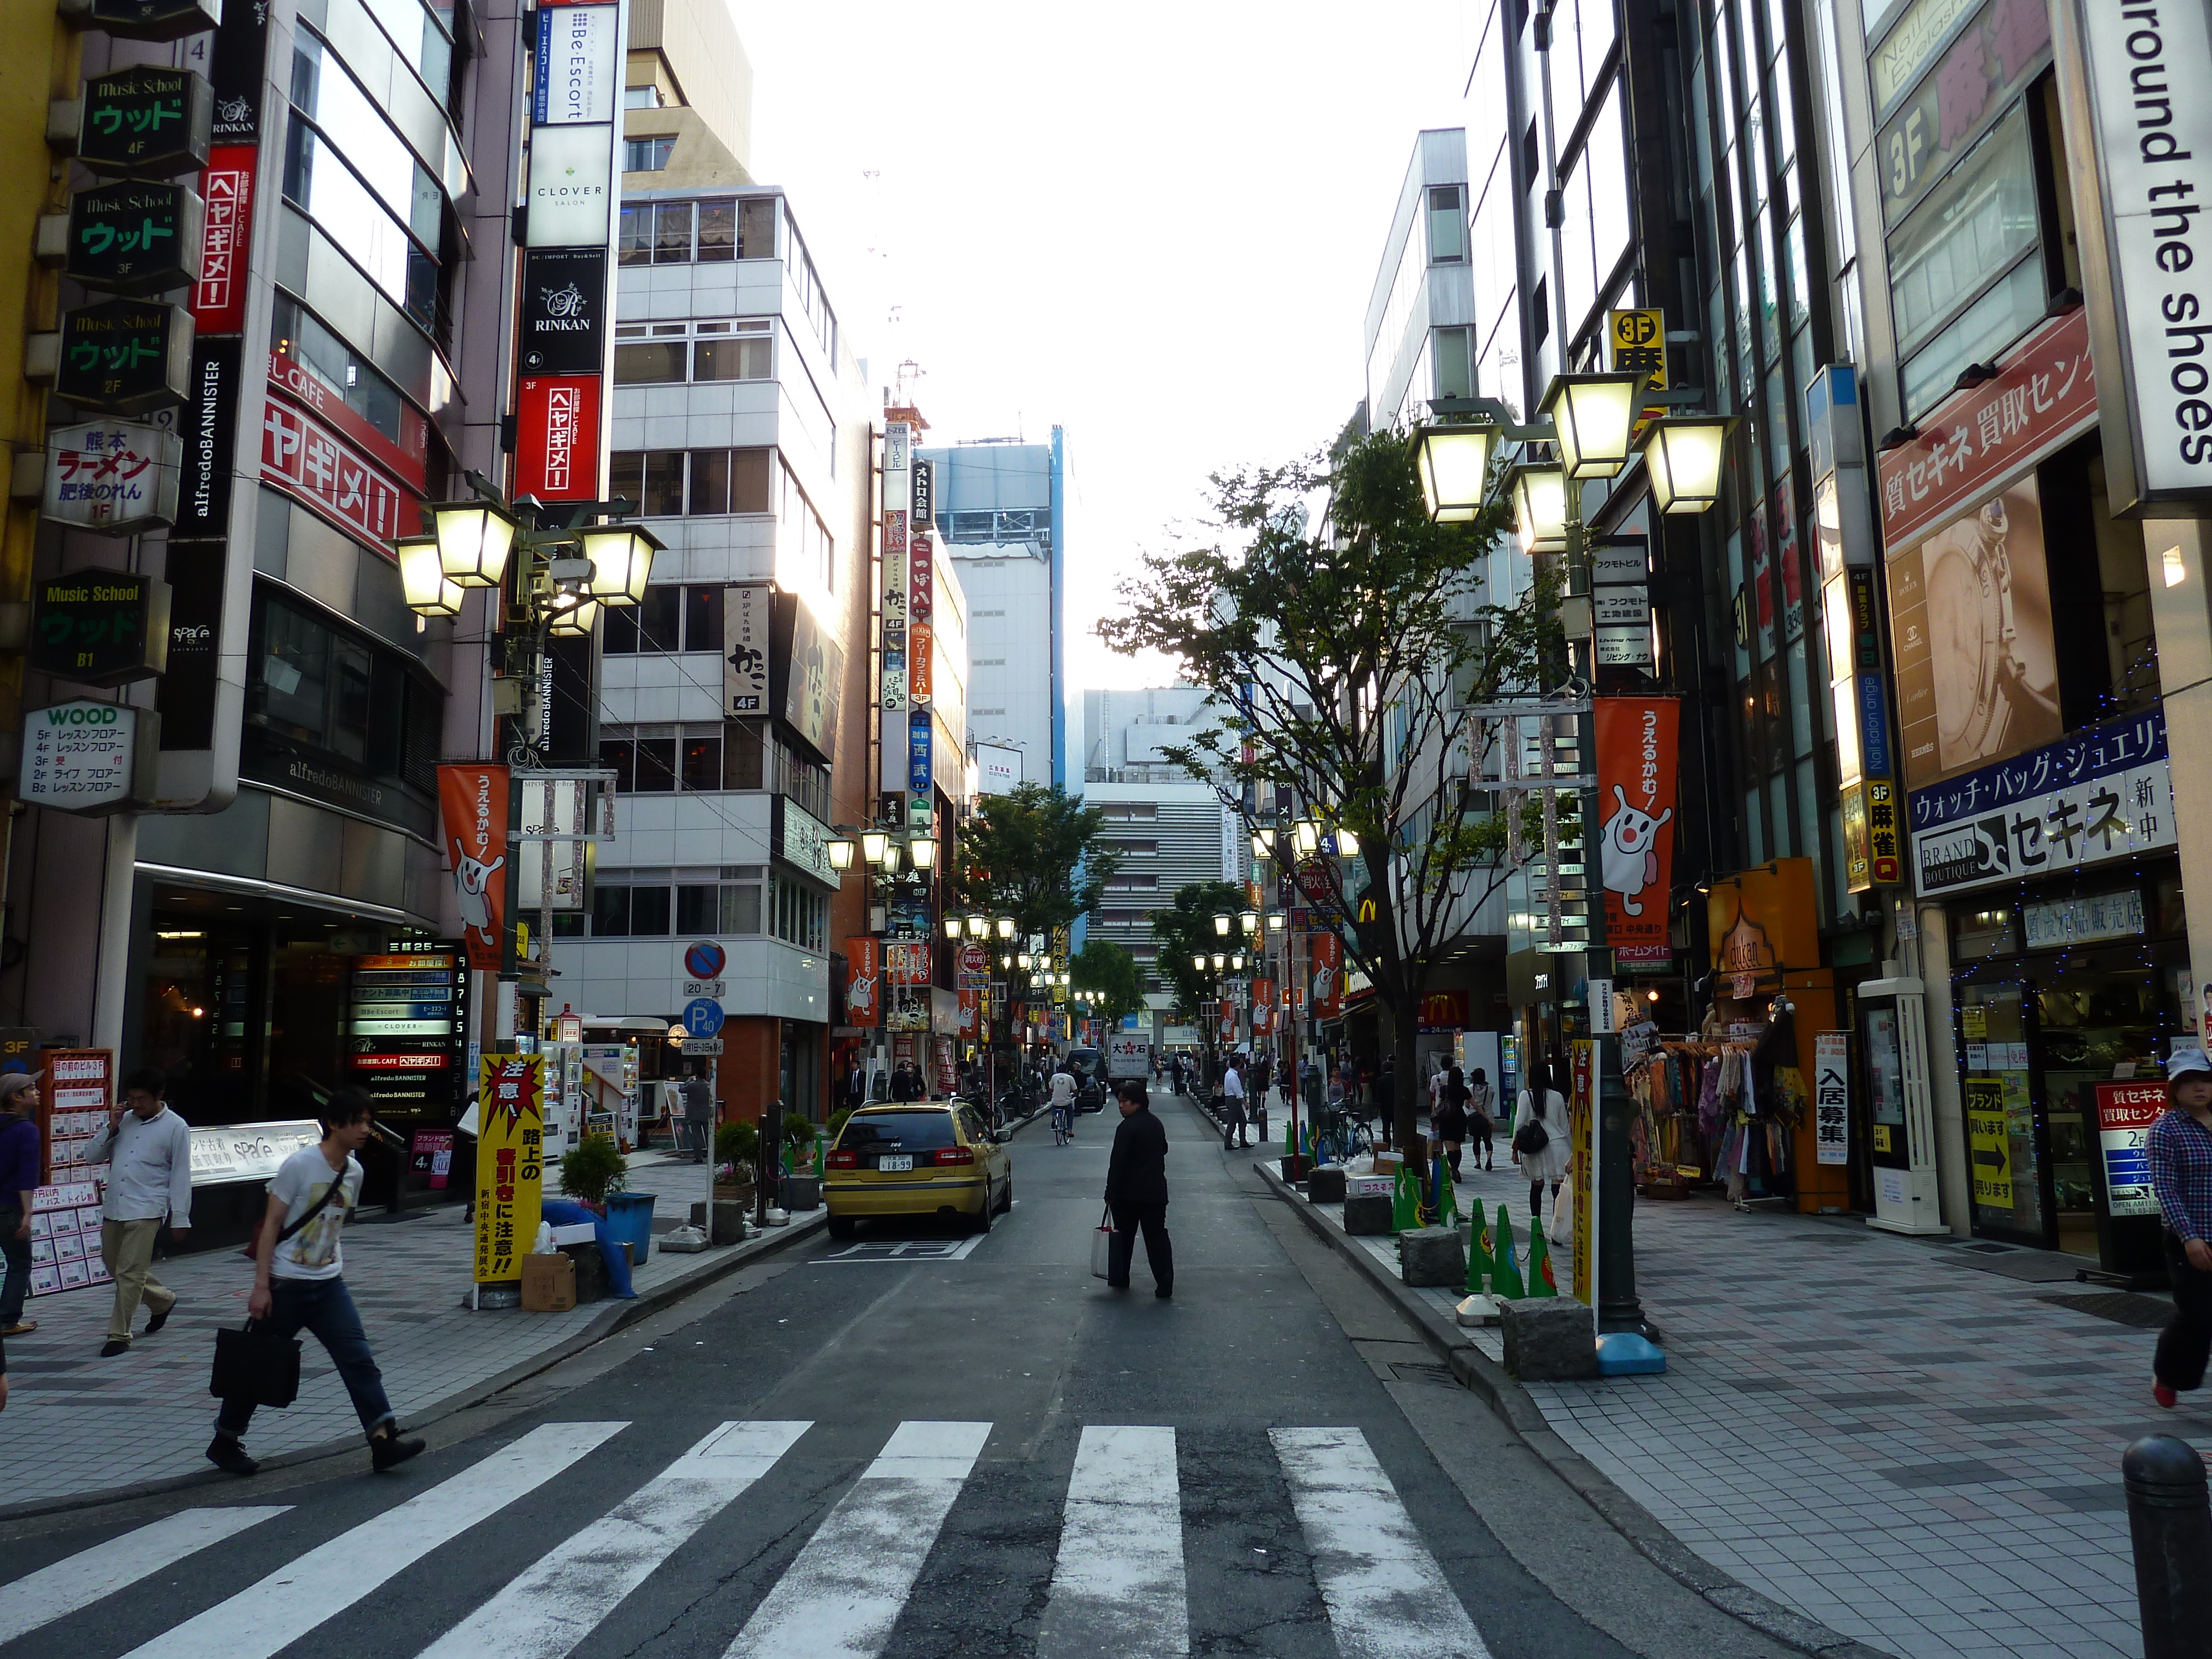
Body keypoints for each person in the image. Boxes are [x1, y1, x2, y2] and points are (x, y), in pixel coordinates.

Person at [207, 1088, 423, 1477]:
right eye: (357, 1122)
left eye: (368, 1122)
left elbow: (334, 1226)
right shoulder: (300, 1165)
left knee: (358, 1359)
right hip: (285, 1284)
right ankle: (225, 1440)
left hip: (328, 1285)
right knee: (259, 1365)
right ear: (335, 1124)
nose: (364, 1129)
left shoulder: (354, 1171)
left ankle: (382, 1441)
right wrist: (261, 1286)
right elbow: (272, 1224)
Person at [86, 1066, 192, 1357]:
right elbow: (91, 1156)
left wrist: (180, 1217)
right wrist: (111, 1126)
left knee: (130, 1271)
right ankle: (162, 1300)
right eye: (131, 1098)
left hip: (148, 1207)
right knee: (114, 1265)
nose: (135, 1104)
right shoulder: (124, 1122)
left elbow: (181, 1174)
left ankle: (119, 1334)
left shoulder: (175, 1127)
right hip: (116, 1205)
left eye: (142, 1098)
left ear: (159, 1096)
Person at [2152, 1047, 2212, 1408]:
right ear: (2174, 1089)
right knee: (2198, 1316)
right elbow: (2166, 1189)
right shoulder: (2165, 1129)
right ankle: (2170, 1374)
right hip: (2189, 1235)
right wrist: (2190, 1237)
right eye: (2188, 1082)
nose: (2199, 1088)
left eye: (2204, 1080)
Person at [1104, 1078, 1172, 1297]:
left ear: (1137, 1103)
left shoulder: (1126, 1128)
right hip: (1154, 1193)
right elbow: (1164, 1149)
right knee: (1156, 1239)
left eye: (1125, 1101)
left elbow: (1118, 1163)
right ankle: (1164, 1280)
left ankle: (1121, 1276)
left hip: (1127, 1195)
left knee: (1124, 1238)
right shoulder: (1155, 1123)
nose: (1121, 1106)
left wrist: (1110, 1192)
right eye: (1120, 1101)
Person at [0, 1073, 39, 1338]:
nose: (36, 1092)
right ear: (16, 1097)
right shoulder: (26, 1131)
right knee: (20, 1262)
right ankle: (8, 1320)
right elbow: (26, 1177)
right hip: (8, 1207)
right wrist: (27, 1213)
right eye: (31, 1089)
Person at [1512, 1060, 1571, 1217]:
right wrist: (1572, 1152)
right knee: (1557, 1188)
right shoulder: (1557, 1096)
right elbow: (1565, 1127)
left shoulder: (1526, 1095)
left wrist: (1515, 1148)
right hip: (1558, 1145)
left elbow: (1519, 1124)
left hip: (1535, 1146)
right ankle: (1556, 1227)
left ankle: (1536, 1225)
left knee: (1536, 1186)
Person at [1434, 1066, 1470, 1180]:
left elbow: (1438, 1105)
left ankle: (1454, 1169)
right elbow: (1475, 1105)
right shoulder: (1464, 1090)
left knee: (1449, 1147)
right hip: (1460, 1118)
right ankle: (1456, 1169)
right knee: (1458, 1146)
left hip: (1447, 1119)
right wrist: (1488, 1119)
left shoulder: (1445, 1089)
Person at [1467, 1067, 1497, 1172]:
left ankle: (1478, 1162)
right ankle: (1489, 1159)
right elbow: (1491, 1101)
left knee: (1476, 1140)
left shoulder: (1470, 1088)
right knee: (1488, 1140)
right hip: (1487, 1117)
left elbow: (1467, 1104)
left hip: (1473, 1117)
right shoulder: (1490, 1088)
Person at [1221, 1057, 1249, 1150]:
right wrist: (1245, 1102)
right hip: (1233, 1100)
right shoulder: (1233, 1076)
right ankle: (1228, 1142)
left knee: (1243, 1121)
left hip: (1231, 1099)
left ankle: (1243, 1141)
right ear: (1237, 1065)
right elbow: (1237, 1090)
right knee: (1232, 1122)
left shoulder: (1228, 1074)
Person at [1048, 1063, 1078, 1142]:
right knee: (1070, 1114)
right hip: (1066, 1102)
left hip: (1056, 1101)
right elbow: (1075, 1090)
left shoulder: (1054, 1077)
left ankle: (1055, 1117)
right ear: (1066, 1070)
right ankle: (1069, 1130)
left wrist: (1051, 1095)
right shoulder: (1070, 1078)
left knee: (1054, 1106)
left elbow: (1050, 1089)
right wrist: (1074, 1095)